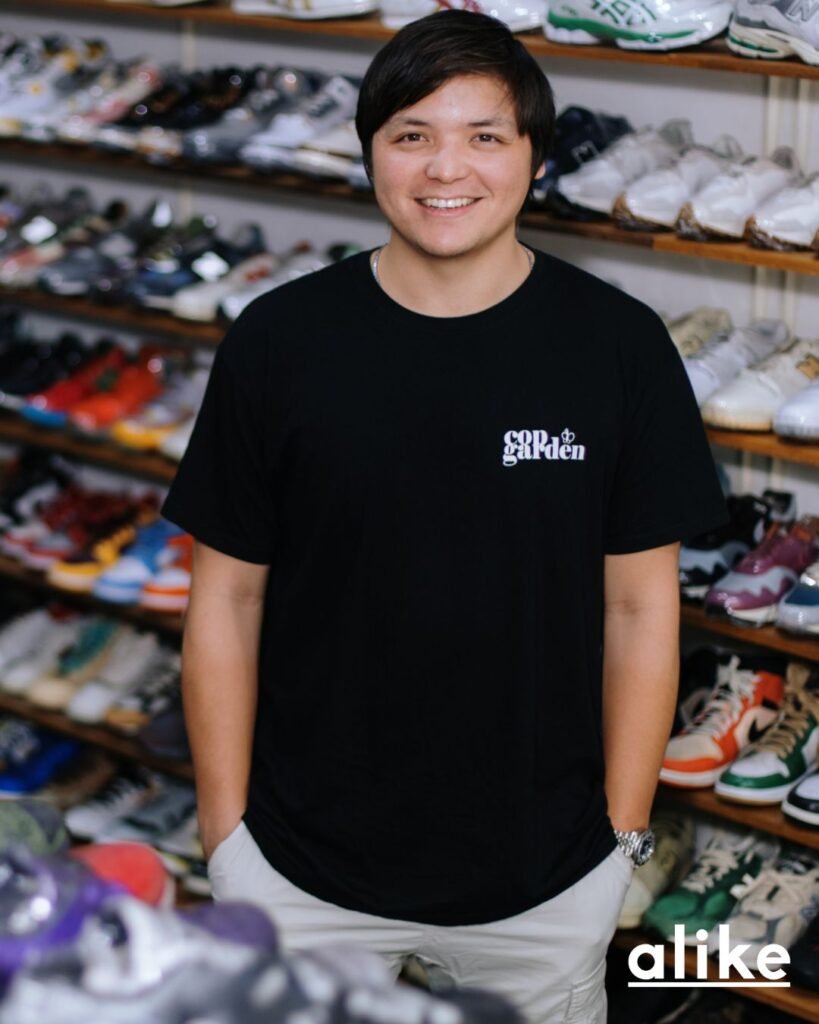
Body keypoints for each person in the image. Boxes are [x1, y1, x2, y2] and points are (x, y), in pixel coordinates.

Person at [162, 10, 726, 1023]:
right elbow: (226, 598)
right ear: (369, 152)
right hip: (298, 868)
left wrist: (622, 838)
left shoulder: (619, 347)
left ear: (536, 159)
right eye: (411, 134)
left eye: (484, 135)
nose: (444, 168)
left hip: (545, 877)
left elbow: (642, 609)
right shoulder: (279, 341)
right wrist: (226, 836)